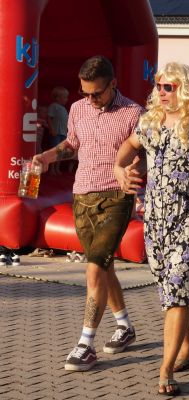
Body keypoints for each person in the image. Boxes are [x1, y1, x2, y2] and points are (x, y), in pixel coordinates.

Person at [114, 16, 189, 397]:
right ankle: (188, 350)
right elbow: (126, 149)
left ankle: (166, 369)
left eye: (168, 86)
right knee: (169, 287)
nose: (161, 91)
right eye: (158, 85)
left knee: (177, 290)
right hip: (156, 217)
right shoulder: (149, 123)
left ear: (185, 89)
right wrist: (120, 171)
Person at [33, 56, 143, 372]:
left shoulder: (133, 113)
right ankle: (125, 326)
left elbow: (146, 155)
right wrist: (48, 156)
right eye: (85, 93)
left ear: (113, 84)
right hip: (82, 196)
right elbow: (72, 144)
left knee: (94, 268)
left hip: (116, 197)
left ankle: (85, 344)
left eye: (97, 93)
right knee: (104, 265)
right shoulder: (78, 109)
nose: (91, 99)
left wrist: (135, 172)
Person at [47, 86, 70, 174]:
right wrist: (52, 129)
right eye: (65, 97)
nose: (66, 99)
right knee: (55, 151)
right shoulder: (54, 106)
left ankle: (57, 168)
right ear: (57, 98)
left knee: (61, 152)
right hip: (56, 133)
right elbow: (49, 117)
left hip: (63, 133)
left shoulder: (64, 108)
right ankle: (52, 168)